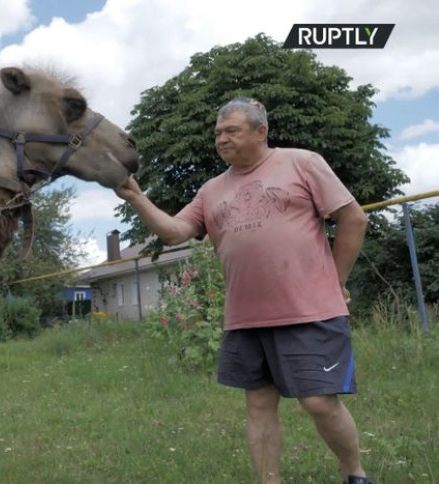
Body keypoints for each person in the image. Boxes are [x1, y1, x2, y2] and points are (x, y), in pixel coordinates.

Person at [116, 98, 371, 484]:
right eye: (218, 133)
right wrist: (137, 197)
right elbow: (174, 232)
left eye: (231, 131)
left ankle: (355, 473)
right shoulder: (211, 190)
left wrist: (335, 282)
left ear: (260, 132)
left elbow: (353, 217)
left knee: (318, 401)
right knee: (258, 405)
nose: (221, 139)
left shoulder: (302, 162)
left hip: (311, 310)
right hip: (246, 317)